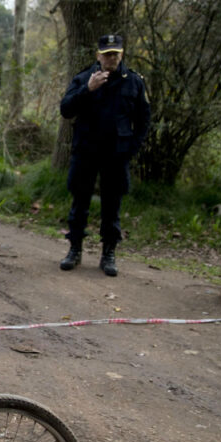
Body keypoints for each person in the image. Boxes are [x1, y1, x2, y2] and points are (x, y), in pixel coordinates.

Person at [58, 33, 151, 276]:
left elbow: (143, 120)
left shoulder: (133, 82)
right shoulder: (83, 79)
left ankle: (108, 253)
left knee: (112, 206)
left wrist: (132, 148)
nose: (111, 58)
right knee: (80, 204)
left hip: (116, 154)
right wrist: (87, 90)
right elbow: (66, 109)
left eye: (115, 54)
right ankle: (74, 249)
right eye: (107, 54)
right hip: (86, 150)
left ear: (121, 55)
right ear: (98, 55)